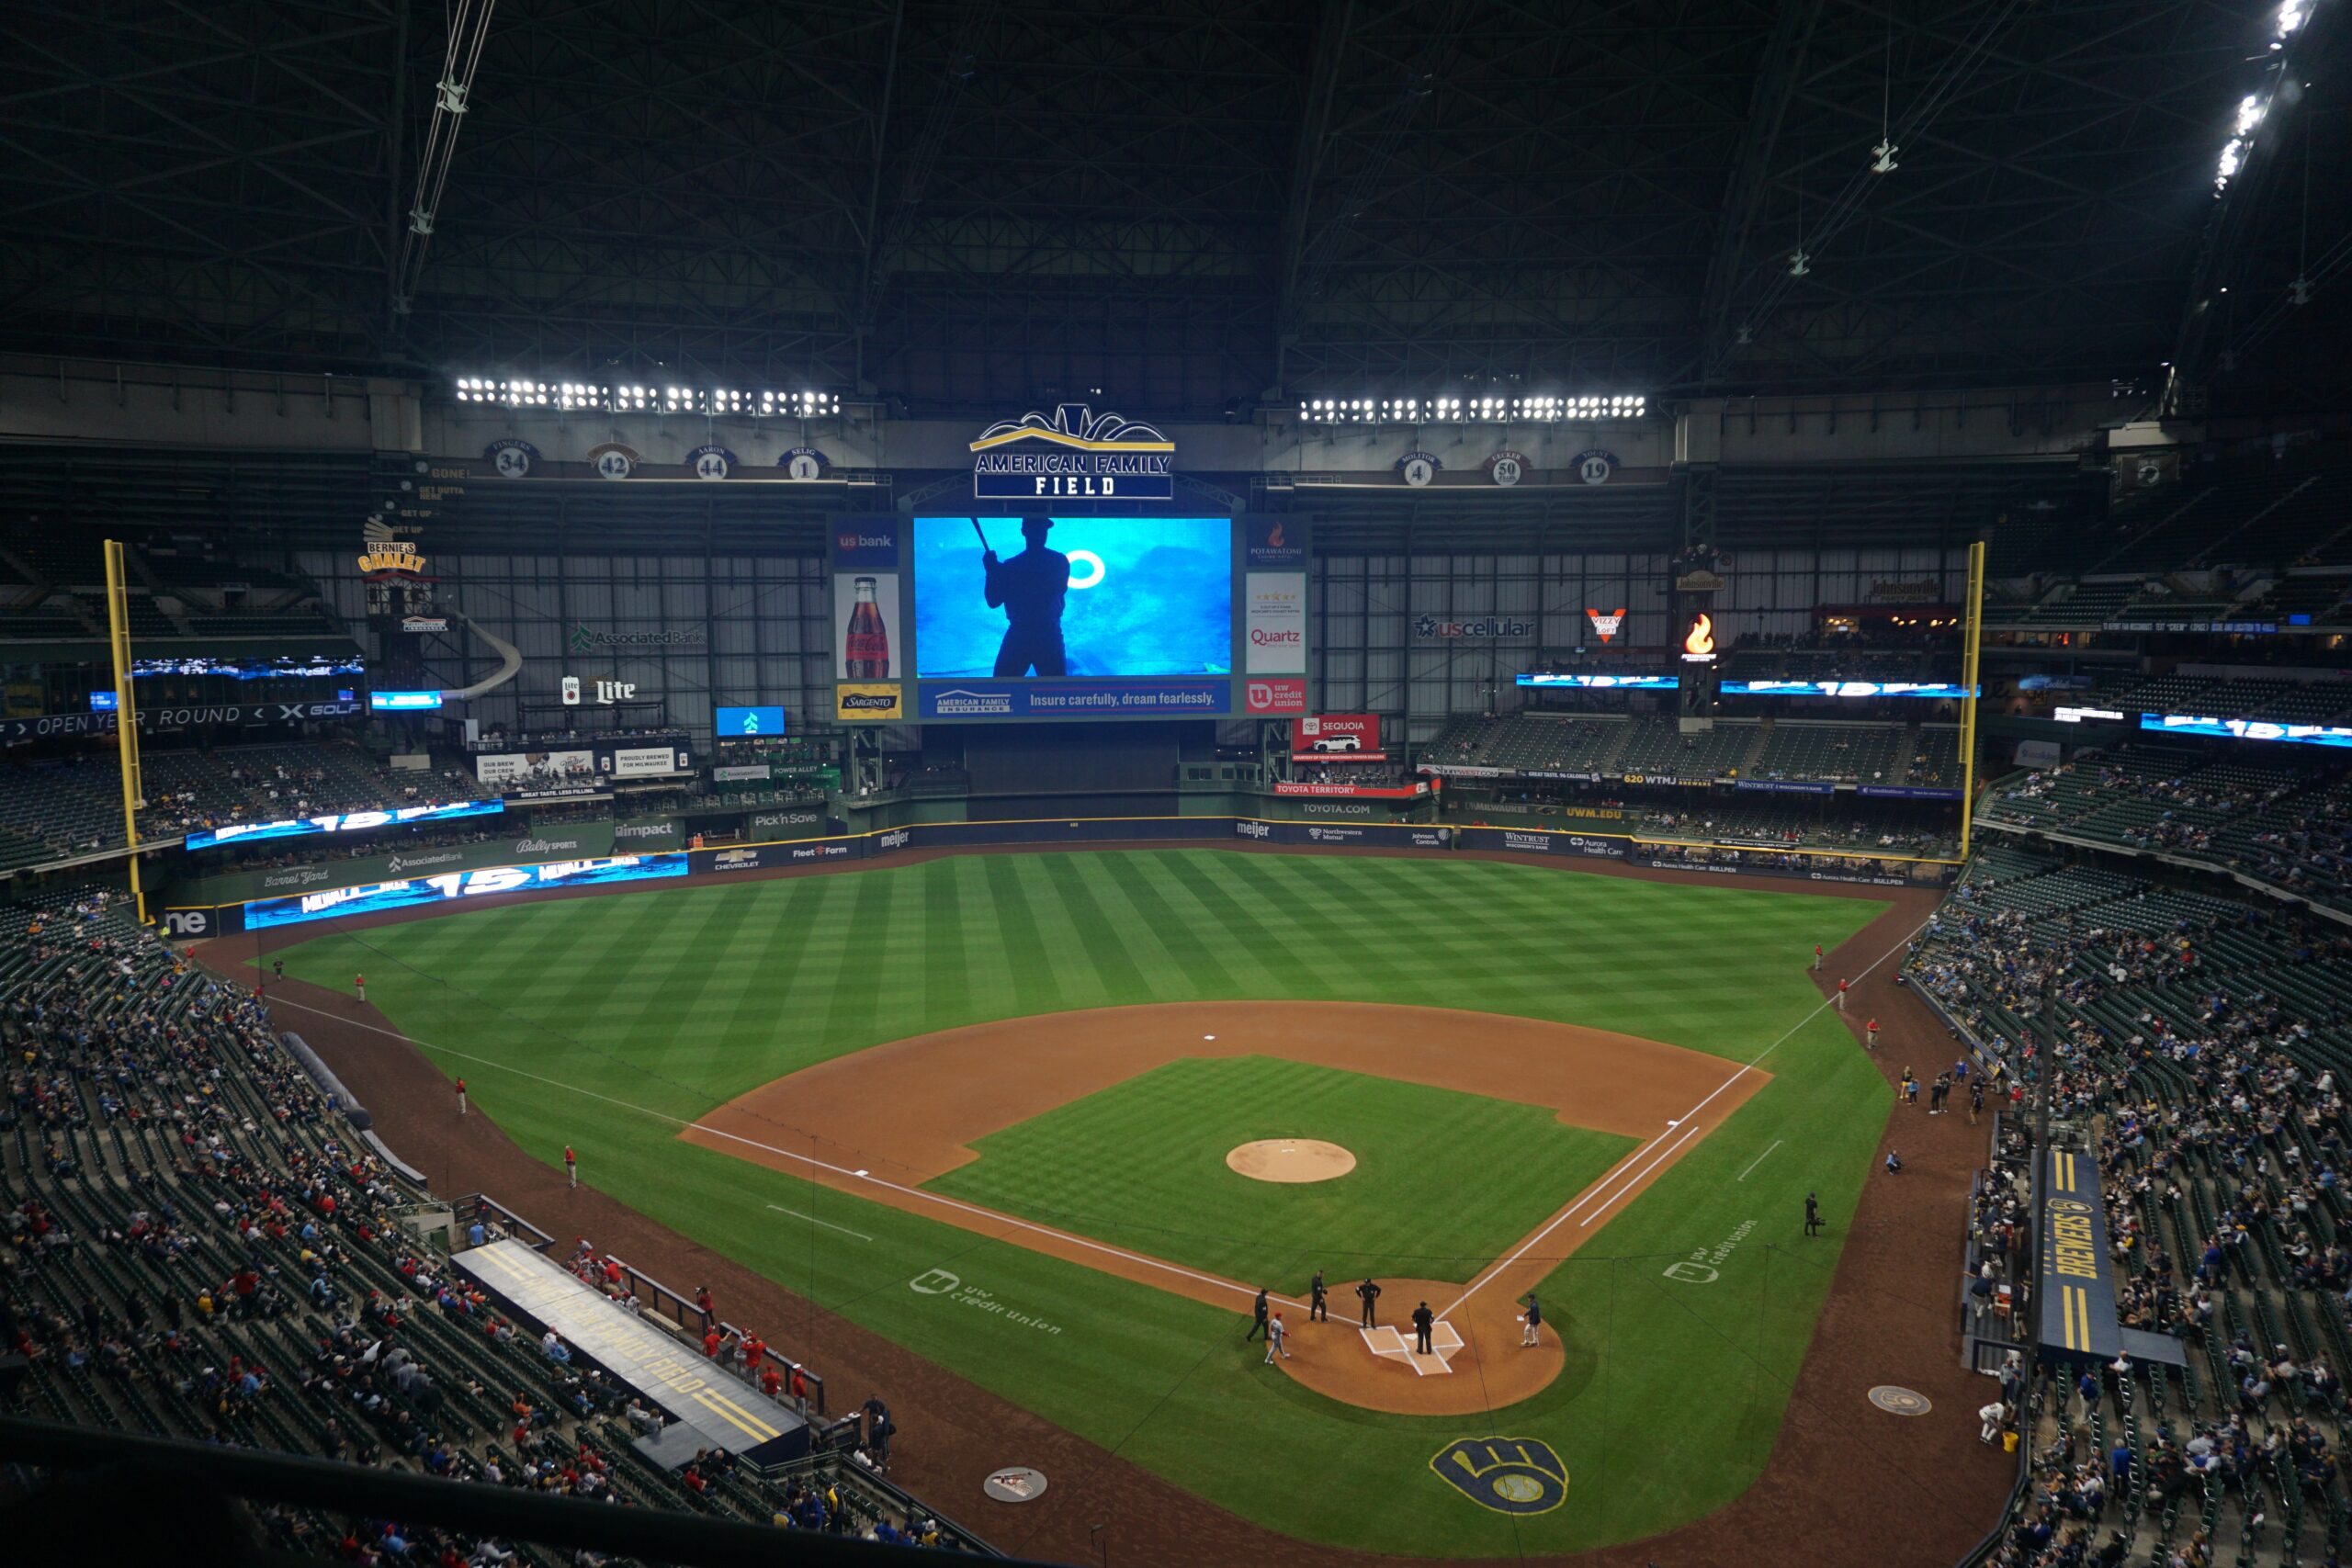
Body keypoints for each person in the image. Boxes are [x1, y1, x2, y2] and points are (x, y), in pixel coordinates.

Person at [981, 517, 1072, 677]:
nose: (1041, 535)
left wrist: (996, 572)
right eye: (1037, 530)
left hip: (1033, 633)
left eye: (1043, 531)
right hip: (1037, 634)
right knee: (1054, 686)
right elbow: (993, 601)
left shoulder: (1013, 566)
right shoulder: (1057, 561)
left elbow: (1052, 591)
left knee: (1002, 685)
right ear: (1024, 532)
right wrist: (992, 573)